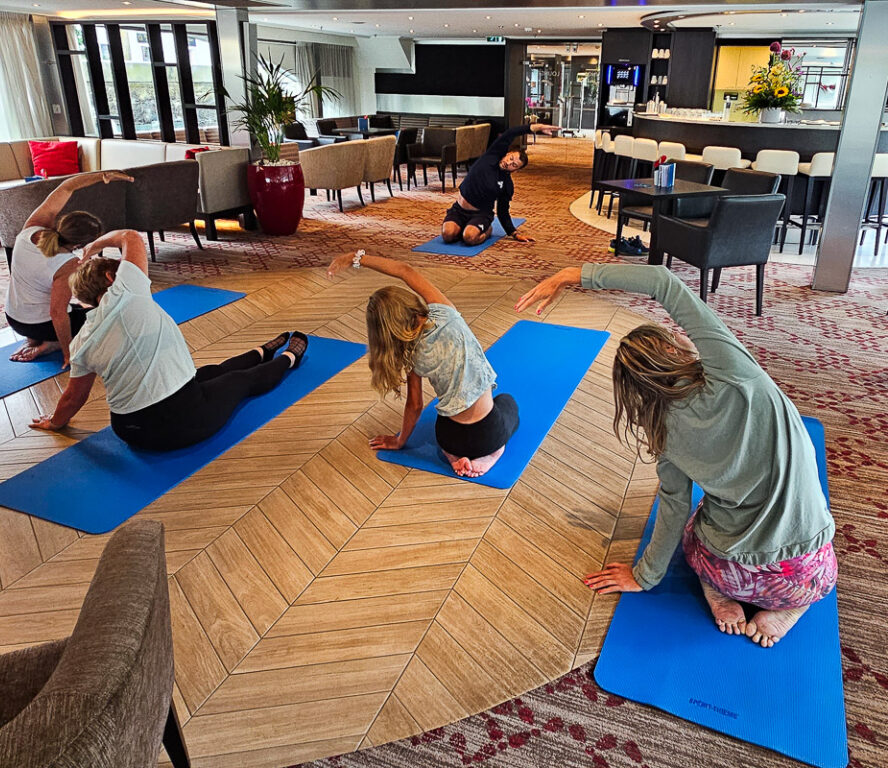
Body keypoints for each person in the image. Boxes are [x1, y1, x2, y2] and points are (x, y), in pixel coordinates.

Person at [515, 264, 837, 648]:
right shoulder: (733, 372)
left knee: (695, 532)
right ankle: (791, 608)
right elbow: (664, 284)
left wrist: (644, 576)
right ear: (670, 349)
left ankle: (717, 592)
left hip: (729, 570)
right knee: (819, 565)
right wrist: (571, 274)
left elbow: (673, 507)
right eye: (673, 336)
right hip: (801, 574)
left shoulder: (662, 433)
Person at [30, 229, 308, 451]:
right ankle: (289, 358)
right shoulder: (128, 290)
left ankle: (262, 351)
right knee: (238, 382)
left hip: (129, 430)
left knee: (211, 373)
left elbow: (74, 397)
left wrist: (55, 423)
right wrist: (94, 246)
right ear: (110, 277)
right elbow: (130, 236)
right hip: (178, 424)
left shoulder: (81, 342)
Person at [329, 249, 519, 477]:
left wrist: (400, 441)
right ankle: (492, 454)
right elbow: (404, 270)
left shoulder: (409, 354)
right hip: (487, 435)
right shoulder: (446, 313)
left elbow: (415, 405)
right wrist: (356, 257)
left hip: (448, 437)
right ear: (410, 303)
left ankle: (452, 456)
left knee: (443, 421)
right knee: (507, 402)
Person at [5, 171, 133, 366]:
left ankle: (35, 340)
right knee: (110, 317)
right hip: (39, 325)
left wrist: (102, 176)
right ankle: (50, 344)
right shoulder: (66, 264)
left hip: (14, 318)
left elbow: (66, 187)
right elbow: (57, 313)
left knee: (78, 308)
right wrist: (68, 353)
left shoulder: (31, 228)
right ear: (80, 244)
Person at [441, 121, 558, 247]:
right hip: (458, 209)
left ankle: (487, 230)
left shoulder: (507, 185)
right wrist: (535, 128)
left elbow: (503, 210)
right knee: (448, 235)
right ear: (507, 154)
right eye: (511, 159)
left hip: (480, 214)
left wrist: (514, 233)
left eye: (514, 165)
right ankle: (465, 227)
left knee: (469, 238)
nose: (509, 163)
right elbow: (510, 134)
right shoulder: (492, 156)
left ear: (516, 170)